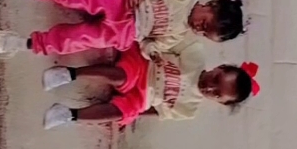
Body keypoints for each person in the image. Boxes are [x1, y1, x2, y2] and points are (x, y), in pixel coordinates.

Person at [0, 0, 244, 60]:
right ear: (211, 5)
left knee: (76, 40)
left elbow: (153, 44)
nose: (198, 28)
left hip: (125, 32)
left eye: (203, 33)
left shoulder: (180, 33)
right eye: (204, 23)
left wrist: (153, 54)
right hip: (124, 1)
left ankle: (22, 43)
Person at [41, 52, 261, 130]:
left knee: (123, 112)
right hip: (142, 67)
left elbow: (157, 111)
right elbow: (166, 42)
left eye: (217, 93)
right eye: (216, 79)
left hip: (143, 98)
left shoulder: (189, 108)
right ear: (219, 68)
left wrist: (133, 114)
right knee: (123, 75)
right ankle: (68, 73)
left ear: (219, 102)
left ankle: (68, 114)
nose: (210, 87)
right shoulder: (194, 55)